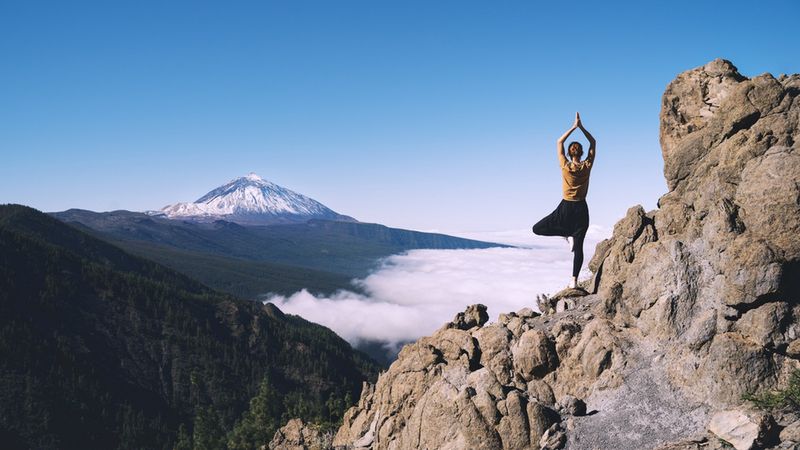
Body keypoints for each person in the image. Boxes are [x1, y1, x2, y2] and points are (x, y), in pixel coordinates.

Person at [532, 112, 596, 289]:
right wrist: (582, 127)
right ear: (582, 153)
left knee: (537, 228)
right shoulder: (587, 166)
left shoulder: (565, 166)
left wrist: (573, 127)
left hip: (566, 207)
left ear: (568, 153)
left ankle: (566, 234)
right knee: (579, 246)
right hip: (582, 207)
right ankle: (573, 280)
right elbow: (594, 142)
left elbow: (558, 142)